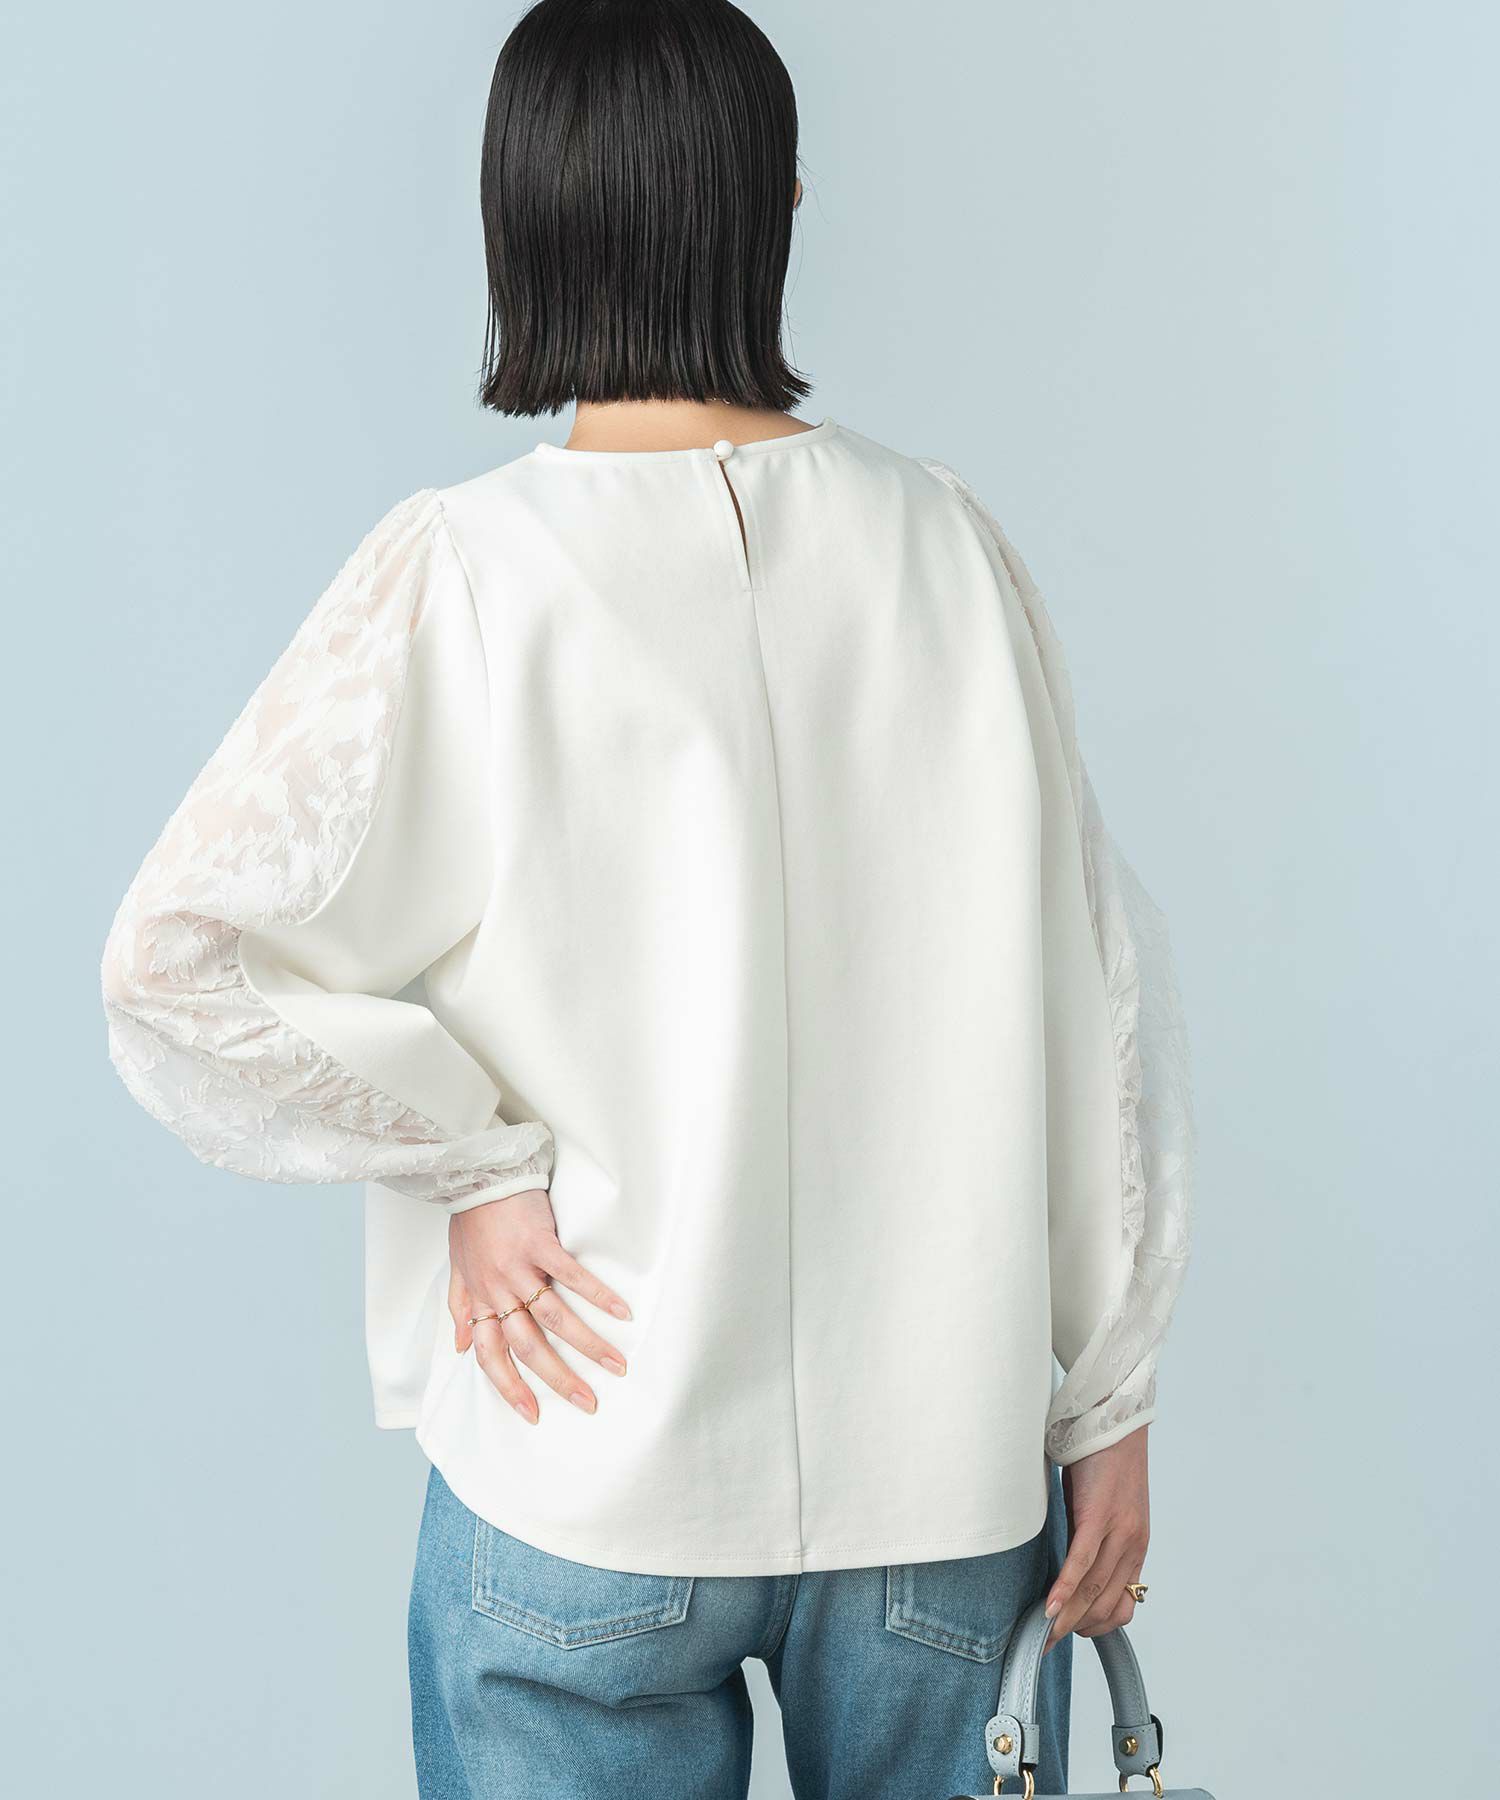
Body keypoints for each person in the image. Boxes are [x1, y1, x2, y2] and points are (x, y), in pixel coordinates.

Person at [100, 2, 1194, 1795]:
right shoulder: (947, 544)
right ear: (779, 202)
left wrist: (472, 1161)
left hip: (583, 1450)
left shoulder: (466, 572)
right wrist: (1111, 1401)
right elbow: (1098, 1004)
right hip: (940, 1479)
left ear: (517, 221)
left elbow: (177, 961)